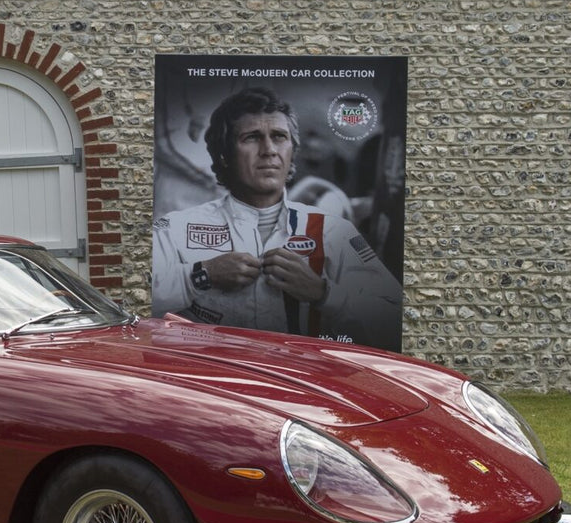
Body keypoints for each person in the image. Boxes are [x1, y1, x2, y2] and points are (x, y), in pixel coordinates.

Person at [152, 87, 403, 347]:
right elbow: (133, 305)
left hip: (302, 383)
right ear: (224, 154)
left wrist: (322, 293)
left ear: (292, 151)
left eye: (279, 137)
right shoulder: (177, 228)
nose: (269, 150)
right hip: (209, 382)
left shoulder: (333, 231)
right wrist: (200, 275)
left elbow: (393, 320)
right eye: (251, 137)